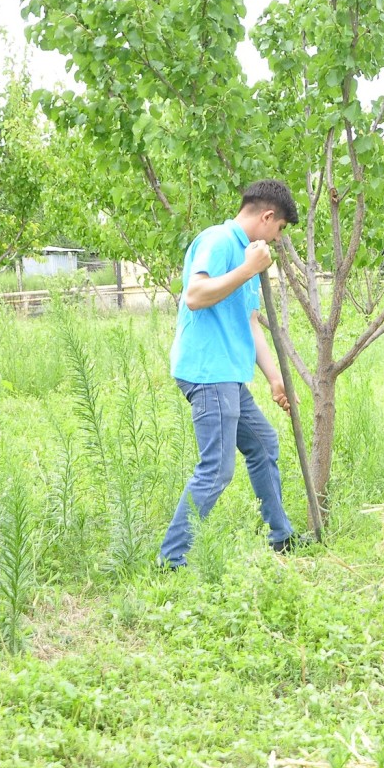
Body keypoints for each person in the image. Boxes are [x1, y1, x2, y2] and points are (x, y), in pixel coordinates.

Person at [158, 179, 301, 569]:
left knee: (263, 444)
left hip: (229, 375)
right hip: (208, 372)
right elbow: (195, 295)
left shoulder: (248, 255)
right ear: (267, 217)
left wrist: (274, 378)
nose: (277, 238)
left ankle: (282, 537)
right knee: (217, 469)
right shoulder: (220, 241)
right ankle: (172, 558)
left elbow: (250, 323)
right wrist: (247, 269)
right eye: (280, 229)